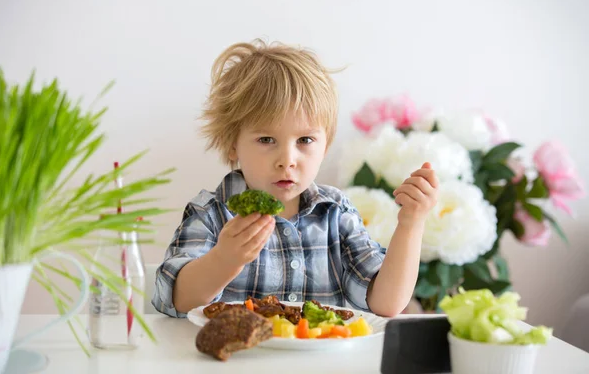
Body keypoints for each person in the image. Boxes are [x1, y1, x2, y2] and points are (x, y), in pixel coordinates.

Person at [152, 39, 438, 318]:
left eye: (305, 140)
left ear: (324, 146)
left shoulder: (335, 213)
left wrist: (411, 224)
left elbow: (386, 303)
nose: (287, 159)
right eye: (266, 139)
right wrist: (224, 260)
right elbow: (175, 298)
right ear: (232, 144)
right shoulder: (212, 213)